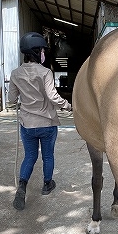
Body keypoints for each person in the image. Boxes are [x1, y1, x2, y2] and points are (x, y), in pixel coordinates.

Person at [8, 32, 72, 210]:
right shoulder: (45, 72)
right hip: (47, 123)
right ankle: (47, 184)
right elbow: (53, 97)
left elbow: (11, 100)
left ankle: (22, 186)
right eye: (42, 50)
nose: (44, 53)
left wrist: (23, 99)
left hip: (27, 124)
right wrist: (68, 105)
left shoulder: (15, 73)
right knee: (48, 156)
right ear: (36, 52)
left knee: (30, 156)